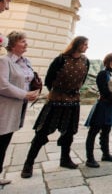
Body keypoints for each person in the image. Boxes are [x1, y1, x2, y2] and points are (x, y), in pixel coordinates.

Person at [21, 36, 90, 178]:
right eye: (84, 44)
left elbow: (82, 80)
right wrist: (58, 92)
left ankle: (65, 159)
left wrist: (71, 92)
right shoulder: (61, 59)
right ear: (77, 45)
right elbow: (48, 80)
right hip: (56, 100)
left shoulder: (85, 61)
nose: (86, 47)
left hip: (73, 100)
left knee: (69, 133)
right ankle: (28, 164)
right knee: (41, 133)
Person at [0, 32, 39, 186]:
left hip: (18, 107)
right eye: (23, 41)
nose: (26, 44)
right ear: (13, 44)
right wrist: (25, 94)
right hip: (4, 108)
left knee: (4, 142)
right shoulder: (4, 61)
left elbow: (28, 80)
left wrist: (34, 89)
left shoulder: (26, 61)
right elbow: (3, 85)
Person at [84, 53, 112, 168]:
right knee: (93, 132)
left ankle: (105, 154)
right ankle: (90, 158)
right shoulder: (102, 74)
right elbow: (104, 90)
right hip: (103, 105)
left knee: (106, 131)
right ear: (110, 60)